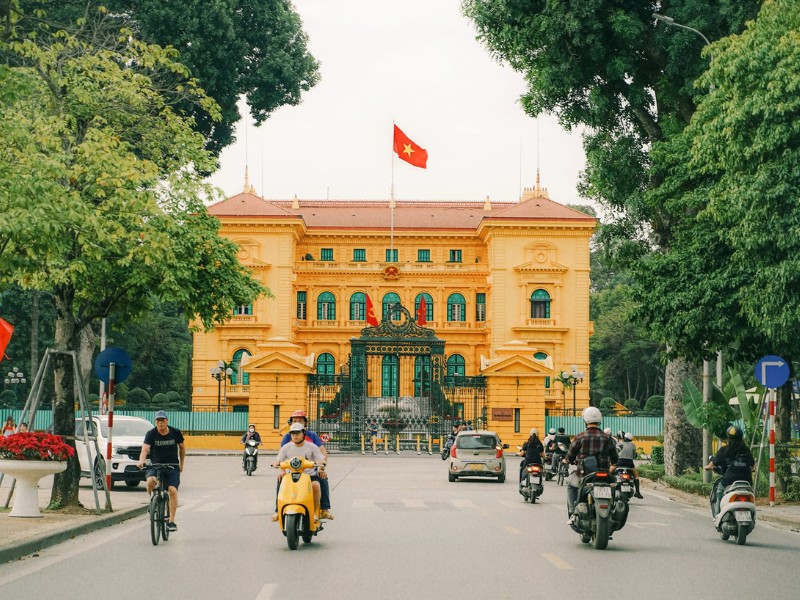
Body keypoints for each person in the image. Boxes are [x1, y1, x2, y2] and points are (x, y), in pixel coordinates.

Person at [563, 406, 618, 524]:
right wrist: (611, 467)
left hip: (584, 474)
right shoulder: (608, 438)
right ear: (599, 420)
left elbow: (570, 456)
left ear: (585, 420)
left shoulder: (580, 437)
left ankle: (573, 513)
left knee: (571, 485)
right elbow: (615, 459)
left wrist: (566, 460)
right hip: (604, 474)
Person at [137, 410, 185, 533]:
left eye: (163, 420)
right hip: (156, 465)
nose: (160, 423)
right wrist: (141, 461)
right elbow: (145, 449)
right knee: (149, 482)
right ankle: (153, 501)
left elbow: (182, 447)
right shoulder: (151, 434)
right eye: (158, 420)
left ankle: (171, 521)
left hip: (172, 465)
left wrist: (181, 464)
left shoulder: (175, 432)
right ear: (155, 422)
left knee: (172, 490)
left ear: (167, 421)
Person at [279, 410, 333, 520]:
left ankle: (325, 509)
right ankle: (277, 510)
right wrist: (282, 471)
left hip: (311, 470)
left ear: (305, 424)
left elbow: (323, 452)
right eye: (294, 421)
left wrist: (320, 468)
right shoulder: (287, 437)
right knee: (280, 480)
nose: (297, 423)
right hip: (293, 471)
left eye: (300, 421)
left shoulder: (312, 436)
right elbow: (281, 456)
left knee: (322, 478)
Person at [272, 422, 327, 521]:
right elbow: (279, 460)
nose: (295, 436)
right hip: (291, 475)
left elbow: (321, 459)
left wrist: (320, 466)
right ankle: (277, 511)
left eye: (297, 433)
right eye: (293, 433)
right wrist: (277, 464)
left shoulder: (311, 446)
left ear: (303, 433)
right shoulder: (286, 447)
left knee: (316, 485)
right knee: (280, 481)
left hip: (309, 476)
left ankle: (314, 512)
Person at [704, 425, 755, 516]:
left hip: (729, 480)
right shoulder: (746, 450)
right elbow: (752, 464)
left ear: (728, 438)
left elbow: (714, 463)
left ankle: (717, 515)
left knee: (719, 493)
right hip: (746, 480)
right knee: (750, 495)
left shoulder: (725, 449)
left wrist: (707, 467)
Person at [613, 432, 643, 499]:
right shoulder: (633, 445)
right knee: (636, 475)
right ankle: (637, 492)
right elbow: (634, 456)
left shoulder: (618, 444)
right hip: (630, 463)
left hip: (619, 462)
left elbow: (615, 454)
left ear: (624, 438)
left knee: (609, 472)